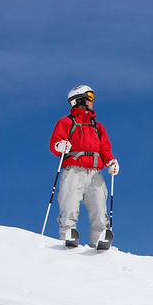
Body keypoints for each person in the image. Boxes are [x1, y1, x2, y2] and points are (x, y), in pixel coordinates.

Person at [49, 85, 119, 247]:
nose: (92, 100)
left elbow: (104, 149)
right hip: (73, 170)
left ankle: (99, 240)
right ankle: (67, 234)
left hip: (94, 173)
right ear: (78, 100)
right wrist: (60, 145)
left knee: (99, 209)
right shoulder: (66, 122)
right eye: (89, 96)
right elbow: (54, 144)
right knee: (69, 205)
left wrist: (111, 161)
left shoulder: (97, 126)